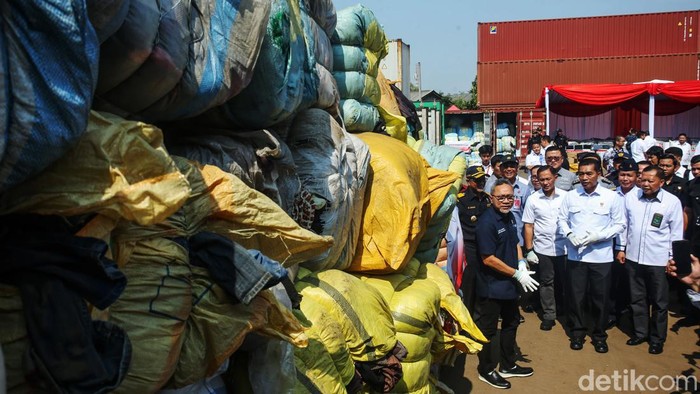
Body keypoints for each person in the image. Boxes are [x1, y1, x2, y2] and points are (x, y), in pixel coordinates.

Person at [474, 179, 537, 389]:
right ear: (491, 198)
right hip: (492, 286)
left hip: (509, 284)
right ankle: (486, 369)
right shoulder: (486, 222)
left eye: (509, 197)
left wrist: (521, 261)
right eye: (501, 197)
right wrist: (517, 275)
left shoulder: (509, 218)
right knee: (488, 330)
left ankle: (508, 364)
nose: (506, 201)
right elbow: (488, 259)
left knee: (511, 323)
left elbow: (516, 243)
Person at [557, 158, 625, 353]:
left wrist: (599, 236)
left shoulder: (612, 197)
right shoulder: (571, 196)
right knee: (576, 297)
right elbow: (562, 220)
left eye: (589, 173)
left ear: (599, 174)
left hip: (601, 257)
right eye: (581, 174)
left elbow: (619, 224)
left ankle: (599, 335)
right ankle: (577, 333)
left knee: (600, 298)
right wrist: (569, 234)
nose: (584, 177)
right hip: (576, 257)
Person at [617, 166, 684, 355]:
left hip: (658, 260)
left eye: (650, 181)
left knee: (659, 302)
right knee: (637, 298)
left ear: (661, 182)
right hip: (633, 258)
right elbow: (624, 225)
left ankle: (657, 338)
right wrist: (621, 248)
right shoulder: (631, 198)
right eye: (643, 180)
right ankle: (640, 333)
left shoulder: (671, 202)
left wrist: (672, 259)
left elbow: (676, 233)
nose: (645, 184)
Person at [522, 165, 567, 331]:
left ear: (555, 177)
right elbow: (528, 225)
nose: (546, 182)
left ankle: (564, 310)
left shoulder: (566, 197)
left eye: (548, 179)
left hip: (565, 249)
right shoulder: (533, 199)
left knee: (564, 281)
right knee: (546, 282)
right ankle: (549, 314)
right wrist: (529, 249)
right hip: (543, 248)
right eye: (542, 180)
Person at [457, 165, 493, 313]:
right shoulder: (461, 201)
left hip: (486, 248)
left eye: (483, 180)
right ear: (469, 180)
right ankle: (469, 317)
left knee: (485, 282)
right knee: (470, 284)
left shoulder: (487, 199)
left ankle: (482, 315)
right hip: (470, 248)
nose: (481, 183)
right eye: (477, 180)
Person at [608, 159, 639, 328]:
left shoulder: (641, 195)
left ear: (636, 176)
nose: (625, 178)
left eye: (629, 175)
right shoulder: (612, 194)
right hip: (614, 245)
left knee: (632, 284)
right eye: (622, 175)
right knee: (614, 281)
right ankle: (612, 314)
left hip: (633, 246)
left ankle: (630, 315)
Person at [497, 157, 529, 246]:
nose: (509, 169)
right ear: (501, 169)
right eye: (506, 167)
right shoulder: (494, 187)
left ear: (517, 168)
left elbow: (528, 216)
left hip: (519, 238)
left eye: (512, 166)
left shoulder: (525, 189)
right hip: (499, 238)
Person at [685, 155, 700, 257]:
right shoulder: (690, 185)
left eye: (699, 169)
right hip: (695, 233)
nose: (695, 172)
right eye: (693, 169)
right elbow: (687, 211)